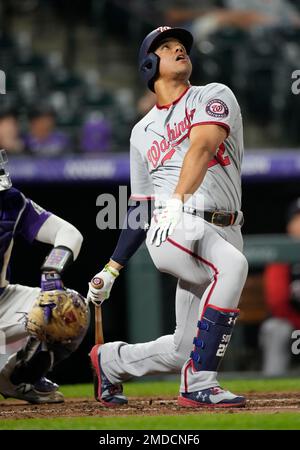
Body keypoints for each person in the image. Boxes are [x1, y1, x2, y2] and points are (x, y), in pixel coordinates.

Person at [87, 26, 248, 408]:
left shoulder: (213, 95)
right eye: (165, 46)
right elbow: (141, 204)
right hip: (177, 224)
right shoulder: (141, 132)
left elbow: (203, 145)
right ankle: (199, 382)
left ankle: (111, 361)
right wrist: (112, 268)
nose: (178, 48)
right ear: (148, 65)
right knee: (233, 268)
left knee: (182, 349)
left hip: (226, 226)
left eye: (180, 45)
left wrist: (175, 198)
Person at [0, 149, 89, 403]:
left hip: (2, 300)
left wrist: (52, 269)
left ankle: (15, 378)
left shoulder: (10, 202)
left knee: (67, 309)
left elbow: (69, 233)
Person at [260, 199, 300, 376]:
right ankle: (271, 382)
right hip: (290, 323)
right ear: (290, 225)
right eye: (298, 219)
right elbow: (277, 302)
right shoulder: (281, 255)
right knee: (275, 328)